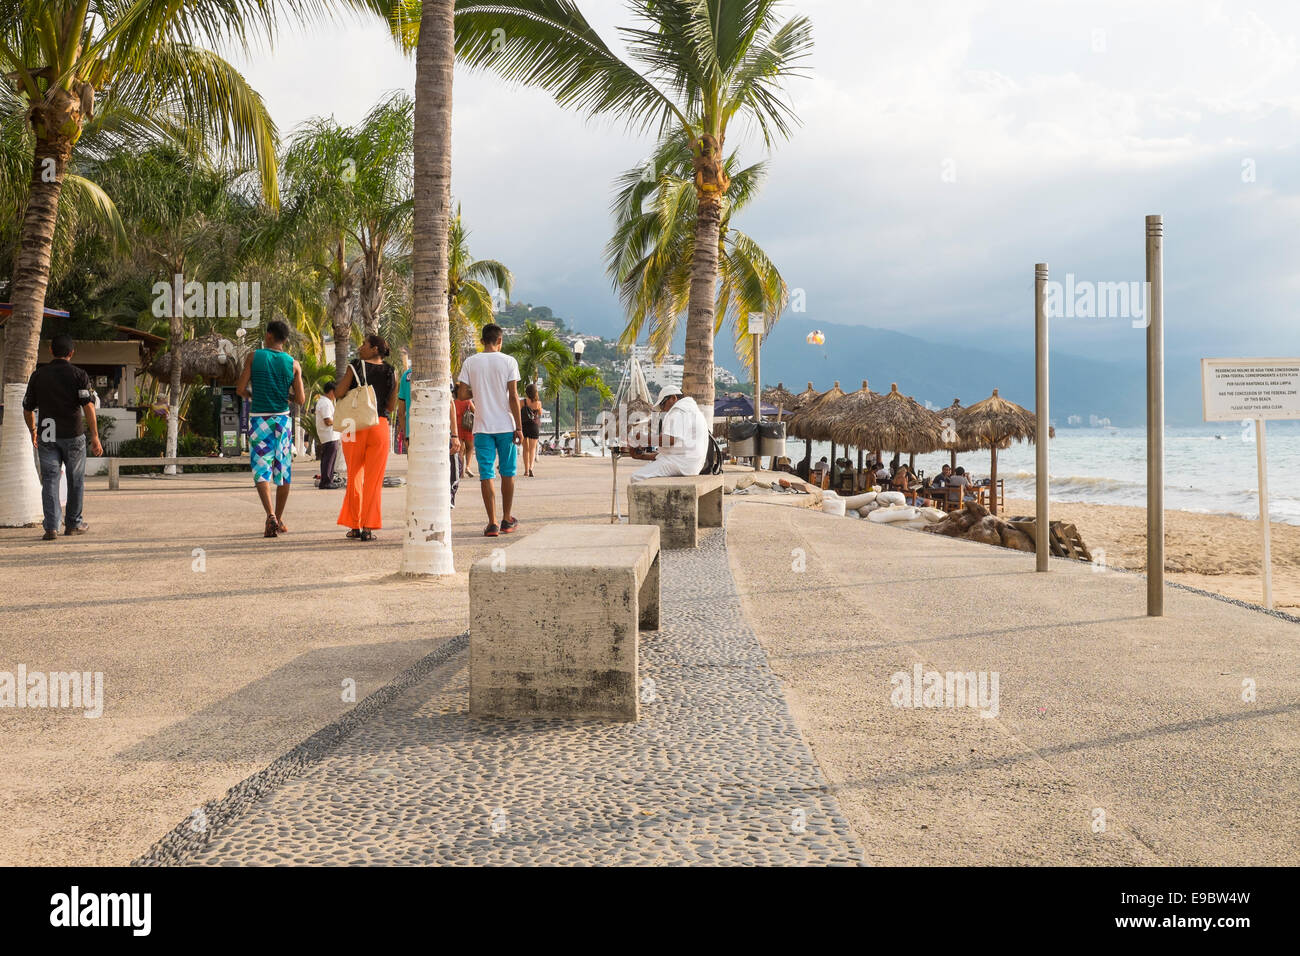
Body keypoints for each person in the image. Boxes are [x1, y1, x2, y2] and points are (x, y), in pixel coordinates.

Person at [22, 334, 103, 540]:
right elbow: (89, 407)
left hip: (47, 434)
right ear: (71, 353)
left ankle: (51, 527)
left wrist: (33, 430)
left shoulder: (38, 375)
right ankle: (74, 523)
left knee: (50, 479)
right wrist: (95, 436)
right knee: (75, 479)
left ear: (51, 351)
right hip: (73, 434)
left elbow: (27, 408)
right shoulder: (79, 375)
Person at [237, 320, 306, 538]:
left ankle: (270, 516)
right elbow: (301, 399)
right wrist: (286, 395)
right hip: (283, 421)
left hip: (259, 420)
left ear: (268, 336)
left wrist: (252, 395)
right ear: (285, 340)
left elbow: (240, 389)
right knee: (283, 470)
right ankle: (279, 517)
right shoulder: (293, 364)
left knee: (261, 469)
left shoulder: (254, 357)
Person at [458, 323, 523, 537]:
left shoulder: (471, 362)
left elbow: (461, 394)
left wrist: (479, 390)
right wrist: (519, 428)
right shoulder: (508, 361)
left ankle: (492, 523)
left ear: (483, 340)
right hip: (505, 425)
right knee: (508, 472)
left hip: (482, 426)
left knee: (486, 474)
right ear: (500, 340)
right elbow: (513, 396)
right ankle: (507, 518)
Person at [335, 334, 398, 541]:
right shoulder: (392, 371)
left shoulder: (355, 366)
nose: (360, 347)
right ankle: (368, 527)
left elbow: (340, 392)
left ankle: (354, 525)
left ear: (374, 349)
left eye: (364, 344)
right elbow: (390, 406)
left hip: (354, 425)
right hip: (379, 425)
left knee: (354, 475)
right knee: (374, 479)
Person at [396, 370, 464, 508]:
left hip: (414, 433)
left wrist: (406, 434)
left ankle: (425, 503)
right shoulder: (442, 370)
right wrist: (455, 435)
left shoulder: (406, 376)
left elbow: (401, 411)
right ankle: (448, 497)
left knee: (420, 472)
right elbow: (450, 403)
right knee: (453, 468)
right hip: (442, 431)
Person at [624, 386, 709, 483]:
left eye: (662, 404)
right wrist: (643, 456)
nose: (663, 409)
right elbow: (674, 452)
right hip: (689, 464)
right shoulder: (691, 410)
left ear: (673, 398)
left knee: (637, 477)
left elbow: (669, 441)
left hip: (682, 464)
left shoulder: (678, 410)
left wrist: (641, 438)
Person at [315, 380, 340, 489]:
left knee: (328, 459)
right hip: (329, 435)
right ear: (331, 391)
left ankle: (327, 480)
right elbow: (328, 420)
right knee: (328, 459)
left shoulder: (325, 402)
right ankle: (326, 481)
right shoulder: (325, 403)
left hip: (330, 435)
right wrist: (339, 422)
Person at [453, 381, 475, 477]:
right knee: (470, 448)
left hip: (458, 428)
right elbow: (475, 412)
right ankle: (468, 467)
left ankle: (460, 472)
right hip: (468, 426)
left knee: (460, 450)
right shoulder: (468, 402)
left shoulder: (453, 402)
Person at [521, 382, 543, 477]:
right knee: (532, 449)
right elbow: (540, 414)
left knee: (525, 449)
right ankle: (531, 467)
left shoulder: (522, 402)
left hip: (523, 425)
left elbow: (518, 412)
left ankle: (526, 470)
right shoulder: (538, 403)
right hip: (534, 426)